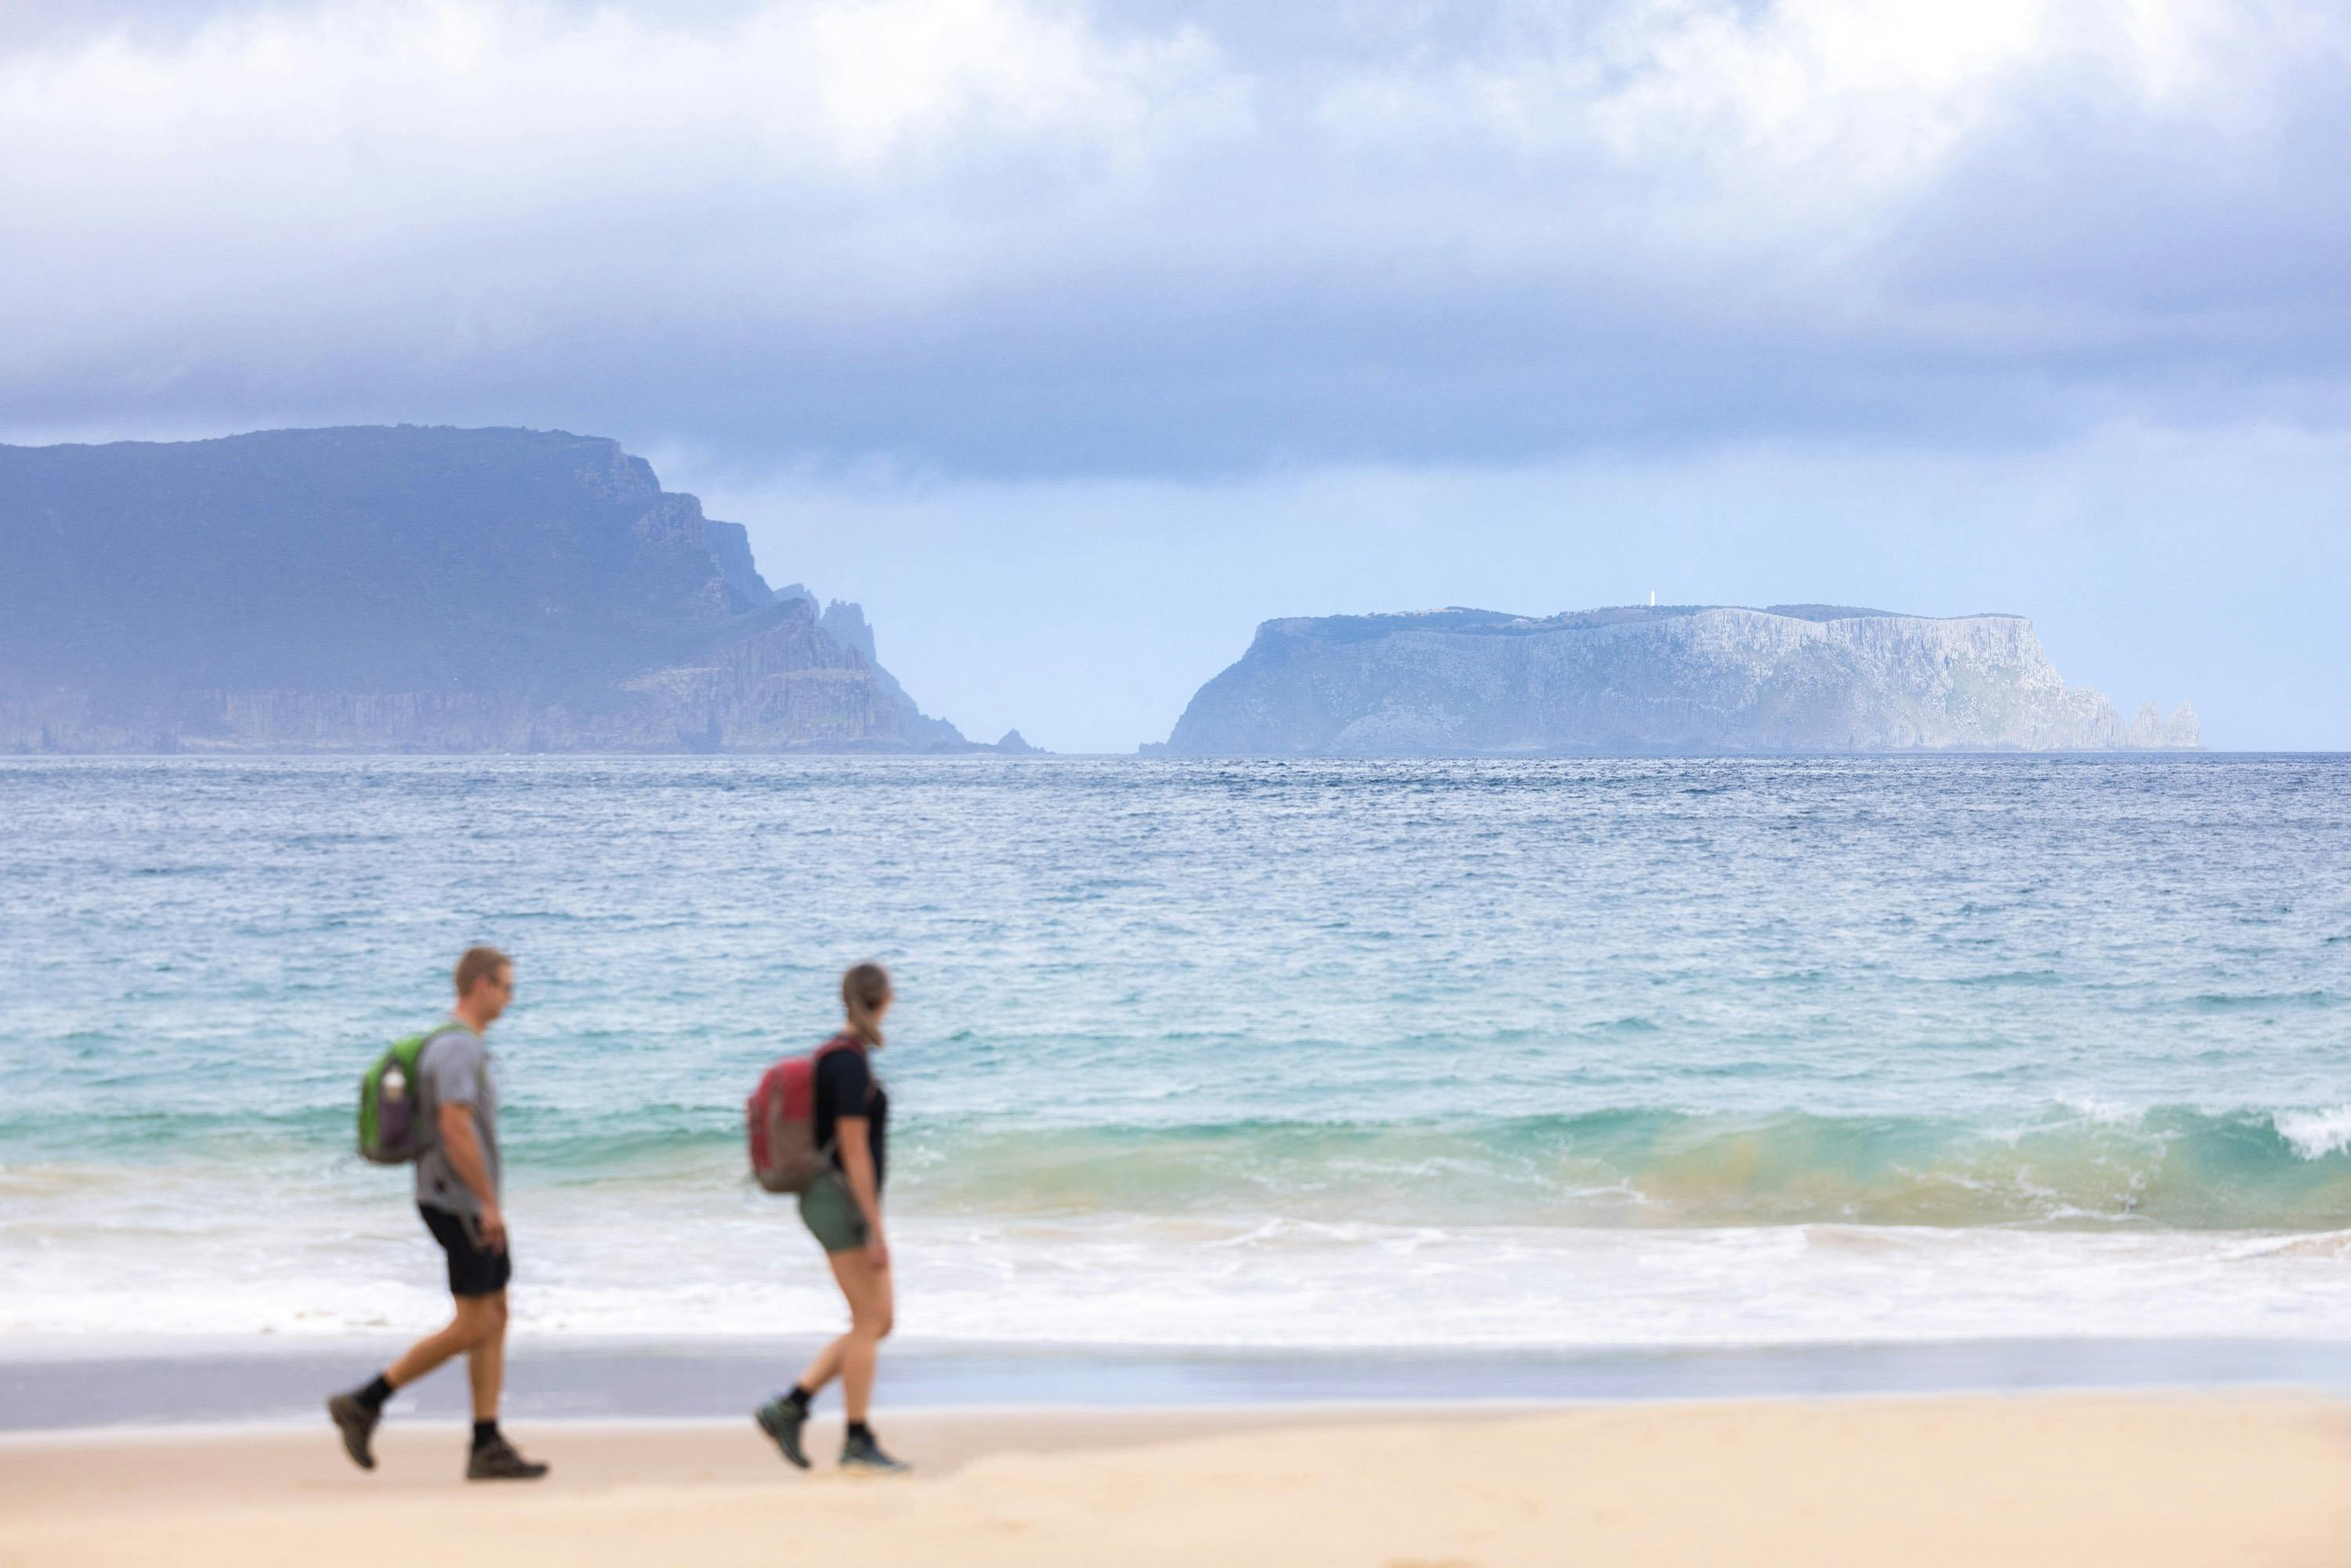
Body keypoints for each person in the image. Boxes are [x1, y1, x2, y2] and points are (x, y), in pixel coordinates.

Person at [328, 947, 549, 1481]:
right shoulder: (456, 1050)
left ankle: (486, 1440)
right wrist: (487, 1203)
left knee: (494, 1314)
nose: (511, 997)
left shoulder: (461, 1046)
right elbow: (453, 1124)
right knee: (476, 1320)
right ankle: (366, 1399)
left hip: (459, 1198)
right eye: (506, 986)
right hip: (459, 1200)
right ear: (480, 986)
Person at [755, 961, 908, 1473]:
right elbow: (853, 1149)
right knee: (869, 1320)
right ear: (883, 999)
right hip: (837, 1199)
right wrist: (875, 1226)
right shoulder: (847, 1063)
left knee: (879, 1319)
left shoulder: (846, 1056)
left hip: (835, 1197)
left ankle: (790, 1406)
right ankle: (856, 1440)